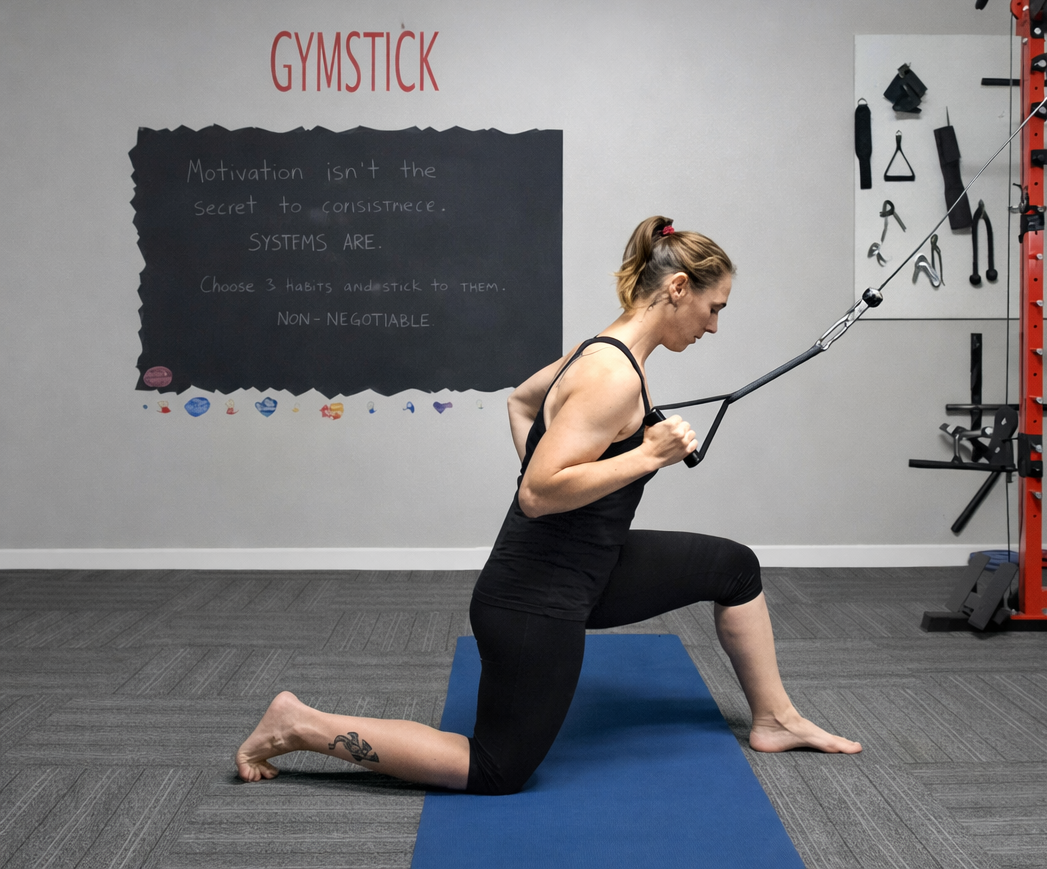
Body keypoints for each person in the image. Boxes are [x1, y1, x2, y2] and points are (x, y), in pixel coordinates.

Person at [236, 215, 861, 792]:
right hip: (534, 598)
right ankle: (300, 725)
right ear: (677, 288)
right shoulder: (612, 376)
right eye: (712, 307)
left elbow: (521, 402)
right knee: (496, 768)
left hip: (593, 563)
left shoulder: (606, 350)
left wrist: (581, 493)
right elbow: (536, 494)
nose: (714, 325)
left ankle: (776, 718)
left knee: (734, 568)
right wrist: (648, 456)